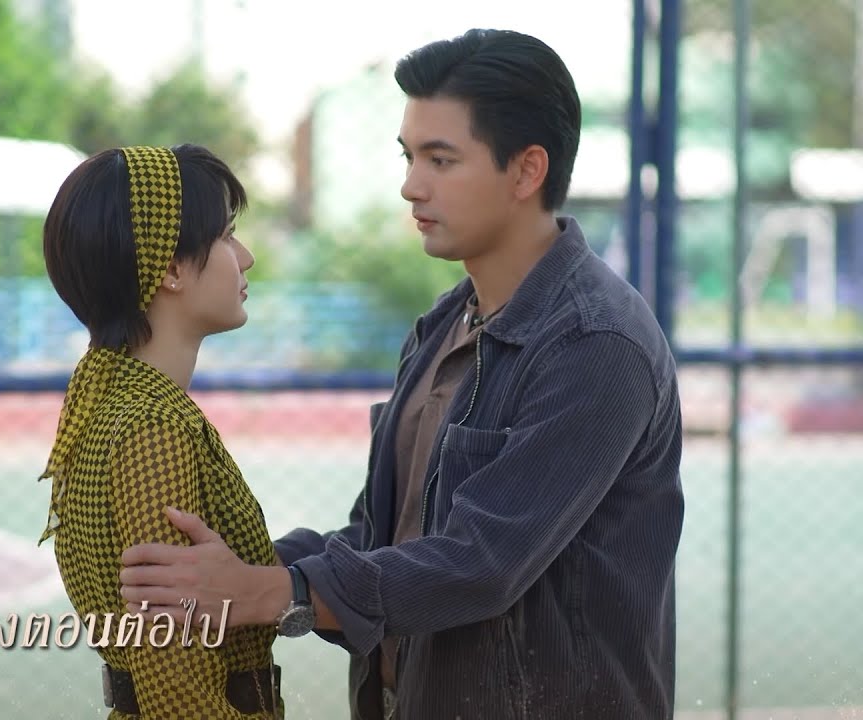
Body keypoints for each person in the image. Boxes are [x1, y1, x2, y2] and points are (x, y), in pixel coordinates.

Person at [118, 28, 685, 720]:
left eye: (441, 159)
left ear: (526, 171)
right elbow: (379, 539)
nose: (411, 185)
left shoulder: (596, 343)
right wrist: (234, 571)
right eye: (409, 156)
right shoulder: (444, 325)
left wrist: (270, 592)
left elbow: (481, 563)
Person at [36, 144, 285, 718]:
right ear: (170, 270)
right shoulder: (152, 426)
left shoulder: (112, 401)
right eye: (226, 237)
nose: (245, 257)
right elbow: (176, 689)